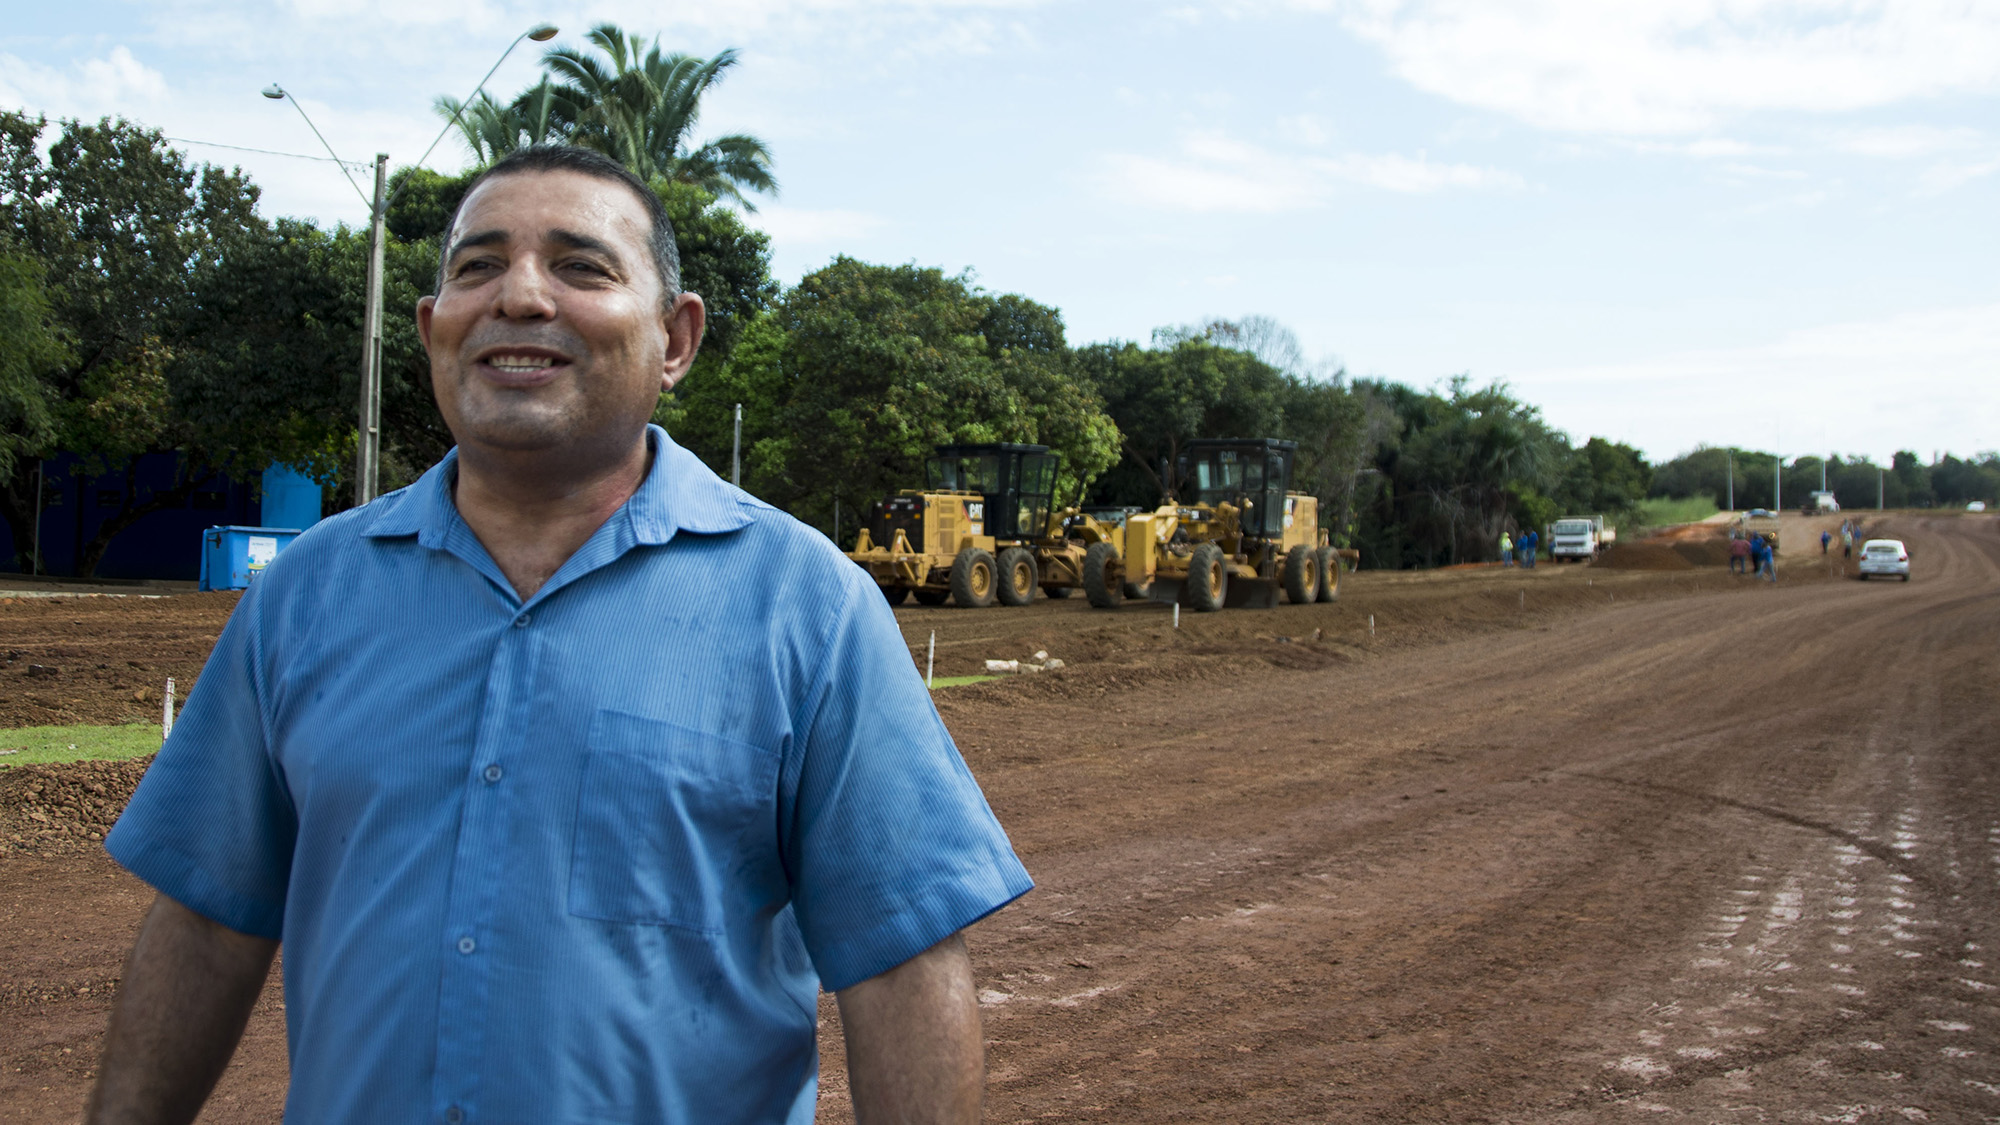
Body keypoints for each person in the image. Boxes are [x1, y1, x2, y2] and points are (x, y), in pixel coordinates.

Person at [90, 145, 1032, 1125]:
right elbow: (205, 924)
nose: (521, 296)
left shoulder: (807, 607)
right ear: (431, 329)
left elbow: (901, 970)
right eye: (477, 266)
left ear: (675, 339)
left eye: (580, 266)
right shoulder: (302, 597)